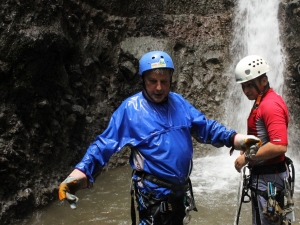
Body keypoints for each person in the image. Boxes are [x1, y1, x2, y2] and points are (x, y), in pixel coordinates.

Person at [58, 51, 260, 225]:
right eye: (152, 81)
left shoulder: (178, 102)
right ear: (143, 81)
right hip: (153, 198)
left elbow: (205, 127)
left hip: (179, 194)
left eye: (164, 81)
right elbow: (103, 145)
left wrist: (237, 139)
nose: (159, 88)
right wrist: (79, 174)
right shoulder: (130, 109)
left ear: (171, 80)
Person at [233, 55, 294, 225]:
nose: (246, 90)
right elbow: (264, 137)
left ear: (264, 80)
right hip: (266, 176)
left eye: (250, 85)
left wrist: (247, 157)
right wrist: (246, 146)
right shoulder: (263, 100)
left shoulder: (269, 105)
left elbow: (279, 145)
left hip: (269, 179)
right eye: (243, 86)